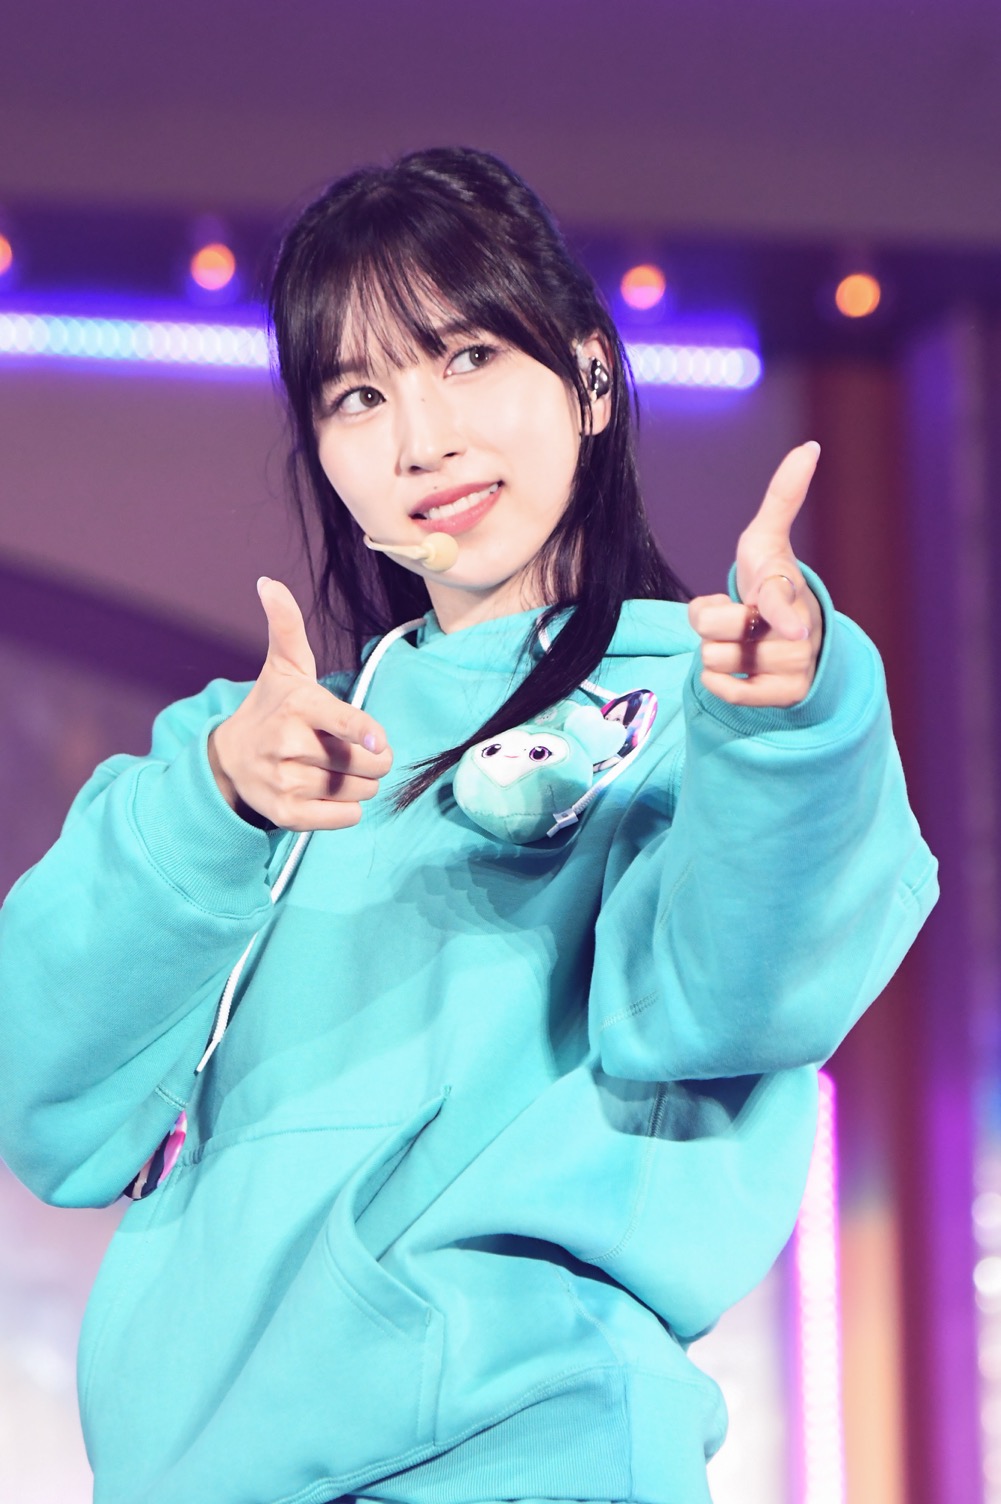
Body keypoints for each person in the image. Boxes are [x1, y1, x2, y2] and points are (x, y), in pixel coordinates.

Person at [0, 147, 936, 1504]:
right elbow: (46, 1100)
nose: (421, 440)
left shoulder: (709, 702)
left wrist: (790, 720)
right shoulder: (261, 744)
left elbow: (730, 1004)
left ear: (592, 377)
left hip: (521, 1450)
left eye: (468, 358)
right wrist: (214, 799)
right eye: (360, 395)